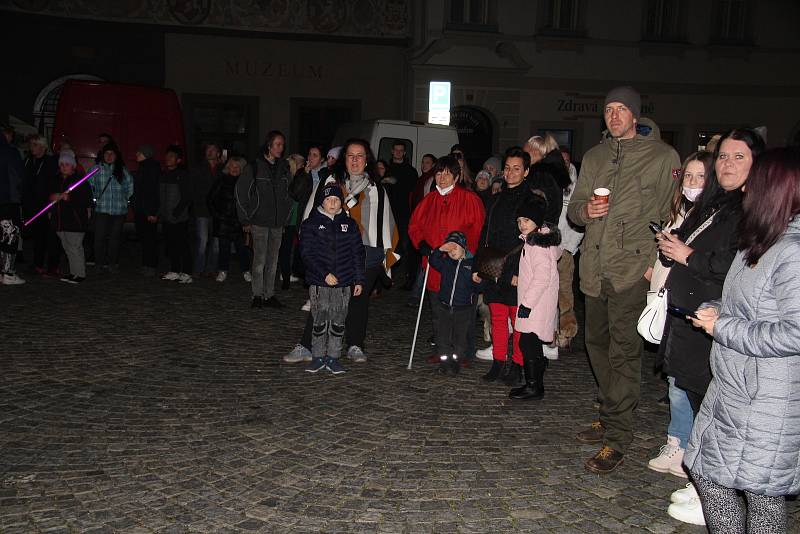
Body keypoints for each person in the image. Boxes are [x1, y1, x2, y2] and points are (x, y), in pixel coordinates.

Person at [683, 147, 800, 534]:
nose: (746, 187)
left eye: (755, 181)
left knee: (762, 494)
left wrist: (725, 328)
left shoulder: (792, 253)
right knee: (708, 474)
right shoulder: (759, 240)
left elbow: (795, 332)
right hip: (734, 386)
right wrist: (716, 307)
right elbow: (746, 301)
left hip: (767, 396)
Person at [567, 86, 680, 474]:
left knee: (624, 352)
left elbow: (672, 214)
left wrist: (654, 263)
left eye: (621, 110)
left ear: (635, 115)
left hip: (632, 270)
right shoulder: (594, 155)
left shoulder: (663, 157)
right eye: (608, 109)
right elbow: (575, 213)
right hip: (594, 270)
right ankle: (609, 410)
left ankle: (617, 436)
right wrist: (587, 209)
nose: (614, 116)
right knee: (595, 343)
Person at [655, 135, 764, 526]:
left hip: (717, 319)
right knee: (698, 401)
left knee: (715, 407)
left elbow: (735, 263)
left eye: (739, 157)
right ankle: (705, 481)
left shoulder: (752, 209)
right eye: (723, 156)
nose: (727, 164)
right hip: (690, 317)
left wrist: (687, 254)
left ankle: (719, 492)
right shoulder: (715, 204)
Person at [285, 138, 400, 364]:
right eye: (350, 155)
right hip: (331, 252)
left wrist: (384, 255)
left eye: (360, 156)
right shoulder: (330, 182)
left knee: (358, 301)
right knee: (323, 300)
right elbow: (312, 214)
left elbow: (385, 223)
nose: (355, 160)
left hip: (366, 253)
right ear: (343, 159)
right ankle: (307, 345)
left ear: (367, 160)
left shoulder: (377, 189)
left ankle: (356, 344)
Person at [408, 155, 485, 366]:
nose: (442, 177)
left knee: (463, 314)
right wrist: (421, 244)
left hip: (460, 266)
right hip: (435, 266)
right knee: (439, 311)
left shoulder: (469, 200)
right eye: (439, 173)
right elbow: (415, 226)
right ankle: (442, 349)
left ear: (457, 176)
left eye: (447, 173)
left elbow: (477, 231)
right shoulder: (428, 200)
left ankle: (464, 352)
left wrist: (465, 252)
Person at [479, 147, 538, 385]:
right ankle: (498, 361)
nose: (511, 173)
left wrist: (516, 272)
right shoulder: (495, 198)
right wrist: (478, 267)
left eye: (516, 168)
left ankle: (517, 364)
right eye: (507, 168)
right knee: (498, 317)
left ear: (526, 171)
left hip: (517, 268)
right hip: (493, 266)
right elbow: (485, 234)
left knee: (518, 321)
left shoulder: (532, 200)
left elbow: (531, 239)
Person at [299, 184, 365, 375]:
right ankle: (317, 356)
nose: (332, 203)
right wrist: (324, 274)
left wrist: (359, 280)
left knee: (338, 320)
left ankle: (334, 357)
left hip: (343, 283)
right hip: (321, 283)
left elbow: (357, 253)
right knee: (320, 319)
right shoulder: (311, 224)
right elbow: (307, 254)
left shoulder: (349, 224)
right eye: (328, 199)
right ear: (322, 201)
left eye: (336, 200)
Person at [511, 195, 561, 399]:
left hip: (536, 303)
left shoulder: (537, 245)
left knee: (527, 343)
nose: (522, 225)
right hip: (538, 302)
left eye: (527, 221)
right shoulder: (536, 240)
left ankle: (534, 386)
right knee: (529, 343)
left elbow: (542, 278)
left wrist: (527, 304)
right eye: (520, 221)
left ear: (537, 222)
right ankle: (536, 376)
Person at [236, 130, 293, 309]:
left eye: (282, 145)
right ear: (269, 146)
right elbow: (241, 193)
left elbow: (289, 195)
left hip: (277, 223)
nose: (281, 148)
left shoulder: (284, 168)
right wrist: (245, 219)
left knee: (273, 261)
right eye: (277, 144)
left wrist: (285, 217)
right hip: (259, 221)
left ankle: (270, 295)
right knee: (259, 260)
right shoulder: (254, 167)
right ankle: (257, 295)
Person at [426, 230, 484, 376]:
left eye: (455, 247)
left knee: (460, 338)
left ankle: (456, 362)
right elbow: (433, 260)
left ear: (463, 247)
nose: (452, 251)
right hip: (444, 306)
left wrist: (478, 281)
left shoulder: (472, 265)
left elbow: (479, 287)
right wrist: (440, 249)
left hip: (463, 309)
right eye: (449, 248)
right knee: (442, 336)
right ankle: (445, 362)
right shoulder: (446, 263)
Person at [87, 143, 134, 273]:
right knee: (99, 238)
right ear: (103, 155)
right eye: (106, 153)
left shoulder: (122, 170)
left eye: (112, 154)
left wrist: (125, 199)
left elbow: (130, 186)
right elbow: (87, 185)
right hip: (102, 209)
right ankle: (99, 263)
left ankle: (112, 263)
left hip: (119, 211)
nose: (109, 156)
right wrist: (93, 198)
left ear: (116, 156)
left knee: (114, 239)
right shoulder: (96, 169)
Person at [48, 150, 92, 283]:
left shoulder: (80, 181)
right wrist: (52, 198)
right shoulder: (56, 179)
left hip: (75, 220)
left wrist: (69, 197)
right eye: (61, 164)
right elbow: (50, 196)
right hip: (60, 220)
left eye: (67, 164)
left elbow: (87, 200)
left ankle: (80, 274)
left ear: (73, 166)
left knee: (75, 247)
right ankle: (73, 273)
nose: (64, 167)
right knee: (67, 248)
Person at [208, 157, 251, 283]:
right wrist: (218, 215)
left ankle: (246, 271)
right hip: (223, 221)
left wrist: (246, 218)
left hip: (239, 221)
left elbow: (248, 201)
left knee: (242, 248)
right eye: (232, 166)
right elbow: (210, 200)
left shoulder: (244, 182)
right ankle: (222, 270)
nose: (235, 169)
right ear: (228, 167)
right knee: (224, 247)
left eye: (237, 167)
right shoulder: (221, 180)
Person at [23, 134, 60, 276]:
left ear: (43, 147)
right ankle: (37, 264)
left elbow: (51, 184)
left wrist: (50, 204)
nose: (31, 147)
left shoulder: (50, 162)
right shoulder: (28, 161)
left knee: (49, 236)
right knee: (37, 236)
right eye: (31, 144)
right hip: (31, 204)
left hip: (45, 205)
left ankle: (52, 266)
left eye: (35, 144)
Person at [386, 141, 418, 289]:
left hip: (404, 214)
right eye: (396, 150)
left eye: (401, 150)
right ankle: (385, 276)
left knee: (405, 246)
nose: (398, 152)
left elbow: (412, 189)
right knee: (387, 245)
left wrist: (396, 182)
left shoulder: (411, 171)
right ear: (392, 151)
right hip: (387, 213)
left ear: (404, 153)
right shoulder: (385, 168)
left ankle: (407, 277)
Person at [159, 145, 193, 283]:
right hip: (167, 217)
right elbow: (161, 196)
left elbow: (187, 197)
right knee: (171, 244)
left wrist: (177, 212)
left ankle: (186, 272)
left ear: (178, 160)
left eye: (172, 156)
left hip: (179, 218)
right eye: (167, 156)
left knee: (182, 244)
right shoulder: (164, 175)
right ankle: (174, 270)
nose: (168, 158)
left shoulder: (183, 175)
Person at [191, 142, 223, 277]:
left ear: (218, 153)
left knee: (216, 243)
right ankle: (198, 269)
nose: (209, 152)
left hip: (217, 211)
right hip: (202, 209)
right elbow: (193, 188)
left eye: (212, 149)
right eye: (207, 149)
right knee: (202, 241)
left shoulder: (223, 169)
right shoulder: (198, 168)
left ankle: (211, 269)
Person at [524, 134, 569, 225]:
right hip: (546, 228)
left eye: (525, 153)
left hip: (537, 230)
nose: (522, 157)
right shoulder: (551, 173)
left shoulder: (539, 175)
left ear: (534, 152)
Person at [0, 126, 25, 285]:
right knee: (10, 235)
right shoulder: (10, 152)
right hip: (7, 200)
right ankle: (7, 272)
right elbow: (19, 175)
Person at [133, 144, 161, 276]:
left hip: (147, 210)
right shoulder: (144, 167)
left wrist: (151, 212)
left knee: (149, 238)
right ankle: (147, 264)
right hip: (142, 209)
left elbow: (151, 191)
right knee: (145, 238)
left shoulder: (150, 168)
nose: (136, 154)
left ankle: (150, 265)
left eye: (139, 152)